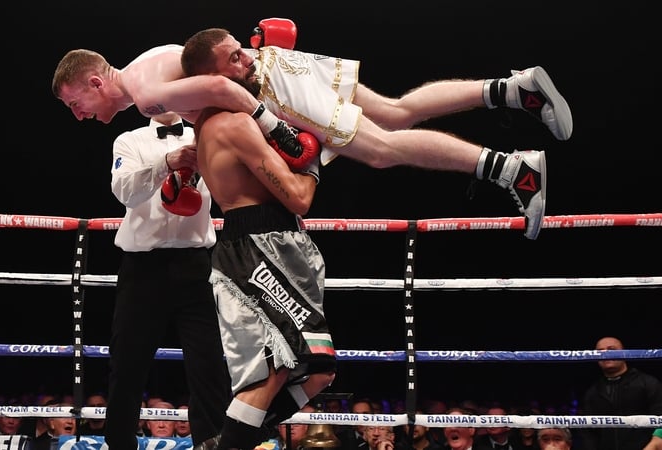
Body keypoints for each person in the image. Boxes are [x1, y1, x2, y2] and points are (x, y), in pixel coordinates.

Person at [52, 22, 573, 240]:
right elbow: (204, 105)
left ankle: (513, 169)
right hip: (273, 67)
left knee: (383, 148)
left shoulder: (147, 95)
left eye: (77, 104)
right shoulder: (145, 73)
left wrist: (274, 130)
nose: (79, 117)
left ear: (96, 82)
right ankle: (513, 89)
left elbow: (230, 93)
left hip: (269, 88)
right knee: (394, 111)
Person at [192, 98, 335, 450]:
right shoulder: (233, 125)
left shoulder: (243, 125)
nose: (248, 64)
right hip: (256, 250)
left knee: (320, 372)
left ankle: (230, 439)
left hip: (284, 246)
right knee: (273, 370)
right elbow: (300, 198)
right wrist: (312, 159)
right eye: (237, 58)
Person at [104, 111, 230, 450]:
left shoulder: (208, 136)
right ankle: (119, 443)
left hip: (195, 264)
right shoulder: (130, 140)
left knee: (208, 361)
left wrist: (211, 165)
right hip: (142, 267)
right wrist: (166, 162)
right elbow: (124, 192)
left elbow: (232, 189)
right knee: (128, 361)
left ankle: (211, 440)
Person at [579, 336, 662, 450]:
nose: (606, 354)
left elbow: (660, 417)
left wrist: (654, 445)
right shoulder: (592, 391)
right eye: (600, 352)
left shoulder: (648, 383)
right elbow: (588, 432)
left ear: (624, 353)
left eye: (611, 349)